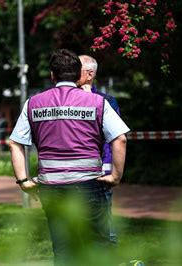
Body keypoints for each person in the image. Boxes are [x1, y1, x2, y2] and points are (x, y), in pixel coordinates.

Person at [9, 49, 129, 265]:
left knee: (63, 248)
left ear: (52, 75)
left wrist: (24, 181)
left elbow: (15, 142)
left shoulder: (33, 103)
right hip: (88, 184)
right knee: (98, 246)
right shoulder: (97, 102)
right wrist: (115, 176)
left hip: (52, 187)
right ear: (77, 75)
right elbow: (120, 139)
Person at [78, 54, 121, 243]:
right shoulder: (63, 100)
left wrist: (89, 100)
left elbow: (114, 138)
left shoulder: (106, 101)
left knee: (105, 231)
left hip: (99, 174)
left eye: (75, 69)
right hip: (72, 174)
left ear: (89, 74)